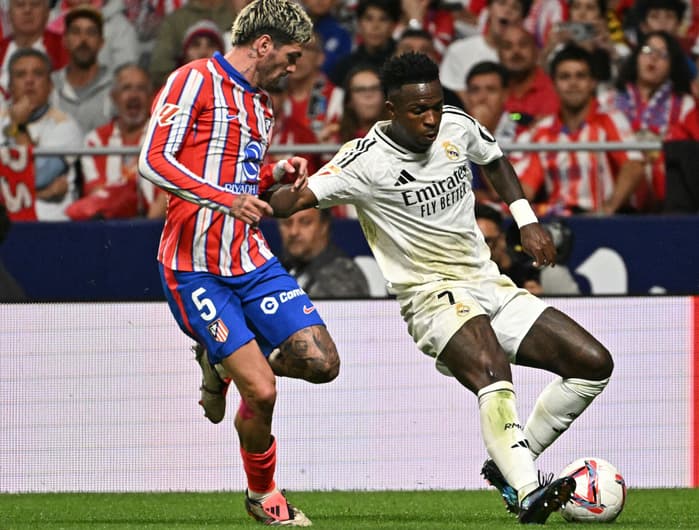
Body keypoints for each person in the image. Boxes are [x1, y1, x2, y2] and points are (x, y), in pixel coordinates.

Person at [267, 51, 614, 524]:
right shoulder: (363, 162)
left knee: (592, 365)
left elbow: (494, 159)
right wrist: (276, 184)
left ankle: (512, 461)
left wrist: (526, 220)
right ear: (390, 110)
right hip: (431, 296)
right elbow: (292, 203)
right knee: (492, 369)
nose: (431, 119)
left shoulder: (456, 123)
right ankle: (529, 488)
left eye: (435, 105)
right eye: (418, 111)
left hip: (487, 281)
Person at [138, 1, 339, 526]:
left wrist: (274, 174)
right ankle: (262, 493)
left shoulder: (261, 104)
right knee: (263, 391)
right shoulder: (194, 79)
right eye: (291, 56)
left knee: (323, 363)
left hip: (249, 258)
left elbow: (239, 181)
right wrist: (224, 200)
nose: (294, 67)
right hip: (193, 266)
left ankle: (222, 359)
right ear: (265, 44)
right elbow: (152, 159)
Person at [513, 44, 645, 215]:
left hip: (603, 220)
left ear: (592, 83)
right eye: (565, 77)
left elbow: (633, 166)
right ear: (553, 84)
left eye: (580, 76)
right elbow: (527, 187)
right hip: (558, 222)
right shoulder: (542, 131)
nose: (573, 83)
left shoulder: (610, 119)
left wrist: (607, 209)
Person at [600, 30, 699, 211]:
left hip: (665, 197)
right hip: (616, 190)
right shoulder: (607, 99)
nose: (653, 58)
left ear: (672, 64)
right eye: (647, 50)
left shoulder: (685, 104)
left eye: (662, 54)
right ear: (636, 56)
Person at [73, 64, 165, 220]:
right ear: (114, 97)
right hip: (109, 228)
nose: (134, 95)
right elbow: (98, 195)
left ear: (152, 98)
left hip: (156, 227)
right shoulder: (95, 141)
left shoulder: (166, 136)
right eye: (126, 88)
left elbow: (168, 194)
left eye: (141, 88)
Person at [0, 48, 83, 220]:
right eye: (21, 75)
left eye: (37, 74)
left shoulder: (65, 126)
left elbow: (38, 176)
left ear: (50, 85)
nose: (29, 81)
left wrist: (18, 127)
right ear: (9, 87)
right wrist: (44, 193)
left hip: (52, 226)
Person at [439, 0, 530, 107]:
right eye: (501, 3)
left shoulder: (520, 61)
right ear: (488, 9)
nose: (507, 10)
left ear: (521, 19)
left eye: (515, 8)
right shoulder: (459, 51)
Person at [278, 208, 370, 298]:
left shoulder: (343, 276)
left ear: (324, 225)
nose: (294, 231)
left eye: (305, 222)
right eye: (287, 223)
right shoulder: (278, 270)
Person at [51, 6, 112, 134]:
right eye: (76, 32)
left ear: (101, 42)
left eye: (91, 32)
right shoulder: (50, 85)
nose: (83, 39)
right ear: (65, 41)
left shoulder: (115, 86)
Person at [329, 0, 400, 87]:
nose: (375, 26)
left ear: (393, 26)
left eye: (383, 19)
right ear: (359, 23)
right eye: (369, 19)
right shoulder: (344, 67)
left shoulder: (402, 62)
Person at [497, 24, 559, 122]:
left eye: (523, 45)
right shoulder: (491, 88)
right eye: (508, 46)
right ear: (499, 55)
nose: (516, 51)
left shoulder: (554, 88)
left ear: (536, 51)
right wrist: (518, 117)